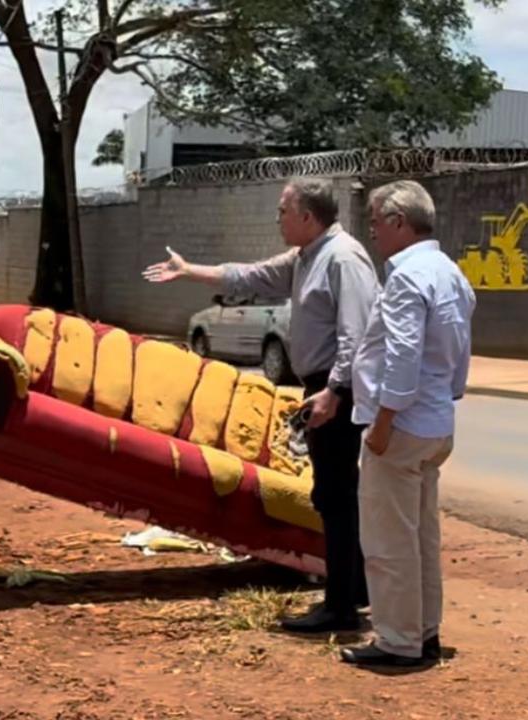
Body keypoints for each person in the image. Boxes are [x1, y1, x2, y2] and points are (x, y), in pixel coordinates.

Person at [143, 177, 380, 632]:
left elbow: (358, 333)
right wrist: (190, 269)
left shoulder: (342, 258)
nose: (277, 219)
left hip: (338, 390)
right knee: (332, 493)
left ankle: (341, 606)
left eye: (283, 211)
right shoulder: (305, 257)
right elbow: (249, 275)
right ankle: (354, 587)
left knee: (335, 495)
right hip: (323, 386)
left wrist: (333, 391)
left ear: (307, 217)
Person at [340, 180, 475, 667]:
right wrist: (447, 396)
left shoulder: (406, 277)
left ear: (399, 222)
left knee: (388, 539)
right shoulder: (451, 274)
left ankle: (398, 641)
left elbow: (402, 356)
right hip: (436, 421)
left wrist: (382, 423)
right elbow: (458, 353)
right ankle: (425, 631)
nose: (372, 232)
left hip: (401, 426)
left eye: (375, 222)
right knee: (420, 535)